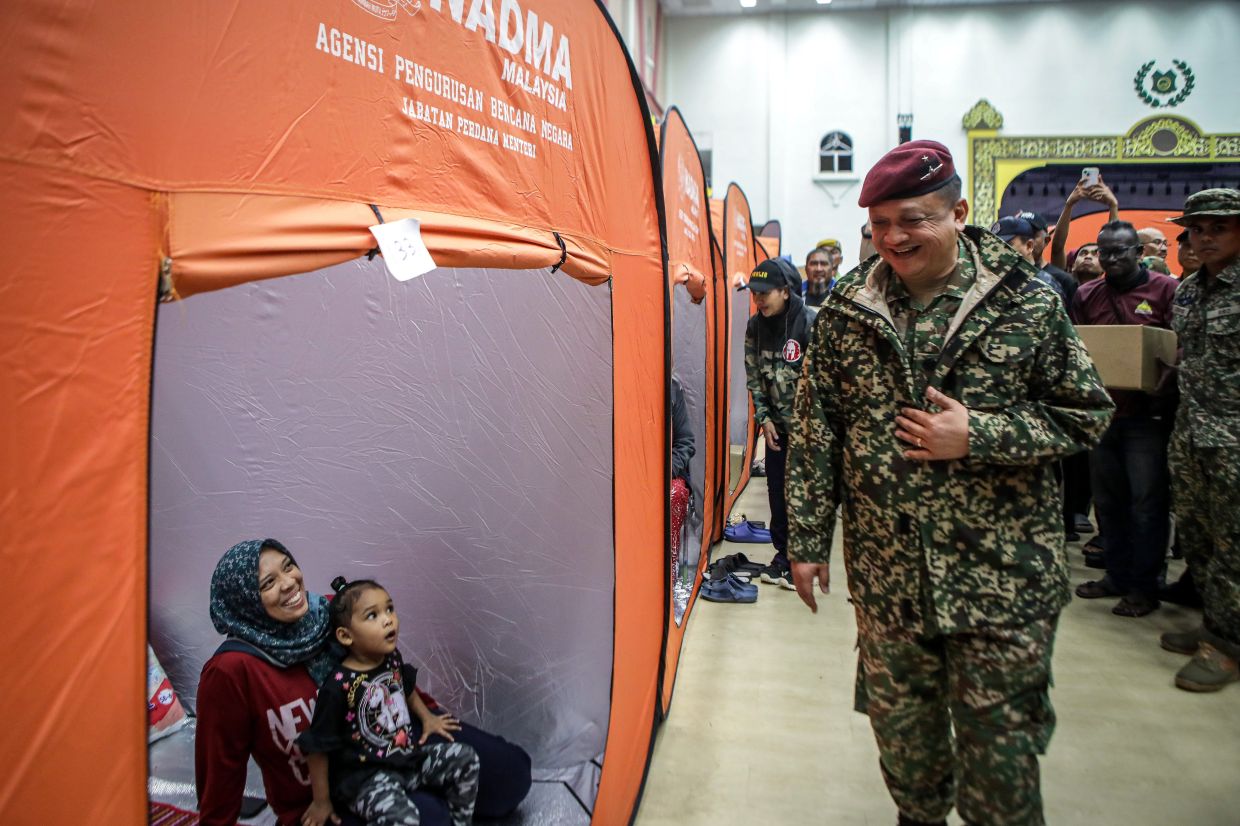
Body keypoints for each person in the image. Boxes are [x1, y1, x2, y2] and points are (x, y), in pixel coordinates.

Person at [786, 139, 1113, 826]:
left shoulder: (1025, 302)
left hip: (1002, 583)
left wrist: (981, 436)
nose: (895, 238)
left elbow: (1086, 415)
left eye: (914, 219)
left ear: (959, 212)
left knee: (1002, 774)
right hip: (889, 582)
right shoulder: (849, 310)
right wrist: (808, 540)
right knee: (909, 762)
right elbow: (818, 430)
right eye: (880, 225)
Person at [196, 539, 531, 826]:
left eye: (288, 566)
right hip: (330, 793)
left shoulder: (330, 612)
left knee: (510, 775)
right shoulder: (230, 671)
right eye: (268, 583)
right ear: (245, 602)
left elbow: (390, 670)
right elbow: (220, 774)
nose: (289, 583)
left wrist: (427, 715)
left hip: (397, 744)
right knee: (431, 817)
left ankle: (430, 794)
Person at [297, 577, 480, 826]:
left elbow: (405, 686)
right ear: (346, 636)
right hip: (366, 778)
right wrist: (321, 801)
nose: (388, 619)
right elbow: (316, 747)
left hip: (407, 760)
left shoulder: (391, 657)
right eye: (372, 615)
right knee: (404, 819)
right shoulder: (338, 685)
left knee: (465, 757)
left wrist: (427, 717)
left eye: (390, 609)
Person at [1070, 221, 1179, 618]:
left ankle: (1145, 586)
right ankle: (1115, 575)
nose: (1112, 259)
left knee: (1148, 504)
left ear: (1138, 252)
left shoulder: (1165, 290)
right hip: (1103, 415)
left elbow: (1179, 343)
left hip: (1147, 418)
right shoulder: (1086, 294)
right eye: (1106, 252)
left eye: (1121, 251)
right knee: (1108, 502)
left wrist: (1170, 372)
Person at [1161, 188, 1240, 691]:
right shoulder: (1189, 288)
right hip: (1191, 432)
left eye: (1219, 228)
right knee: (1198, 536)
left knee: (1234, 544)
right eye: (1198, 229)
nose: (1205, 237)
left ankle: (1226, 645)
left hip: (1234, 439)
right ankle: (1217, 620)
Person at [745, 257, 817, 589]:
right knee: (777, 494)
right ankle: (782, 557)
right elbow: (755, 378)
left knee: (803, 495)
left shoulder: (810, 324)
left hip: (810, 431)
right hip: (776, 429)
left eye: (765, 293)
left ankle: (803, 562)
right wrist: (765, 420)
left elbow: (824, 384)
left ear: (785, 292)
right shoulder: (755, 326)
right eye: (755, 294)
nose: (758, 300)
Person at [1050, 175, 1119, 273]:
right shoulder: (1064, 283)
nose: (1088, 257)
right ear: (1072, 266)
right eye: (1083, 253)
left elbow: (1113, 248)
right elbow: (1057, 248)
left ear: (1104, 266)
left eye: (1096, 254)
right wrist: (1069, 205)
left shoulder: (1108, 286)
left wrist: (1113, 205)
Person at [991, 216, 1066, 304]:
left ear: (1029, 246)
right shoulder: (990, 281)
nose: (999, 251)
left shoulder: (1046, 287)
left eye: (1007, 245)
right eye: (995, 245)